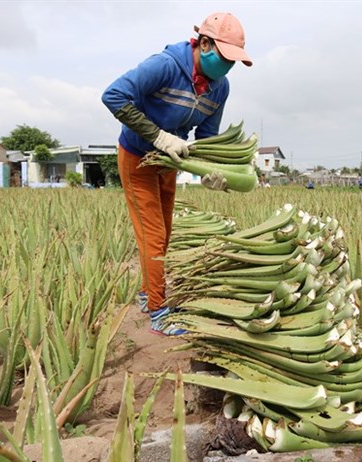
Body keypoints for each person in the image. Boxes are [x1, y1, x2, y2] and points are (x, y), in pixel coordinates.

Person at [101, 12, 252, 336]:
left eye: (233, 62)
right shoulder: (165, 66)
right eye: (225, 58)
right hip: (137, 157)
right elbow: (113, 96)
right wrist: (157, 135)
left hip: (169, 163)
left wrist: (212, 173)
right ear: (205, 43)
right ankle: (158, 311)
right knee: (152, 235)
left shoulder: (219, 89)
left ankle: (147, 293)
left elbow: (207, 138)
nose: (227, 67)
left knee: (164, 233)